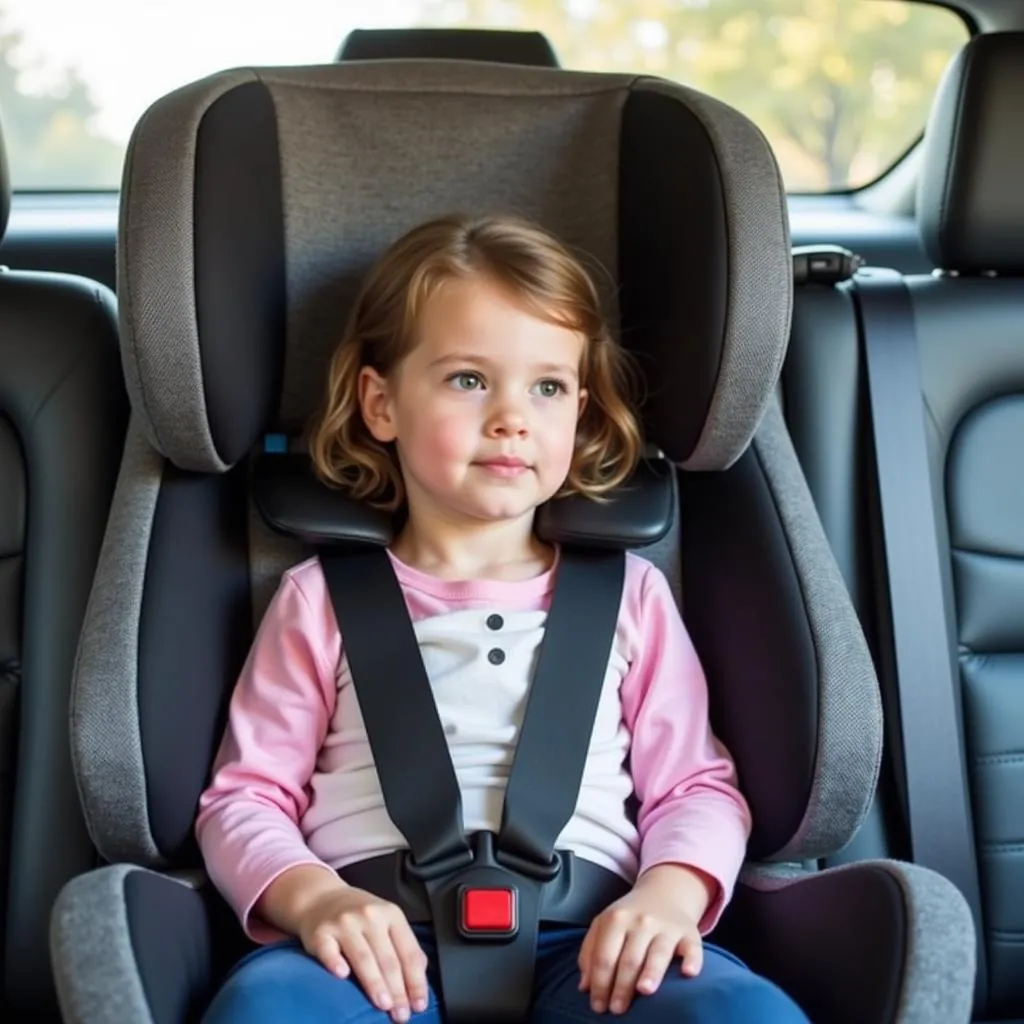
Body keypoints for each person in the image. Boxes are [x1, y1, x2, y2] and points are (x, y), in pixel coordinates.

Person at [196, 214, 810, 1024]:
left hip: (596, 945)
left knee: (744, 1014)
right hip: (369, 949)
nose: (512, 416)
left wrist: (667, 896)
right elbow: (244, 799)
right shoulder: (318, 600)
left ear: (581, 412)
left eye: (547, 387)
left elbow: (694, 786)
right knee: (264, 1010)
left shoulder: (630, 596)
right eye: (468, 380)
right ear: (381, 404)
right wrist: (315, 902)